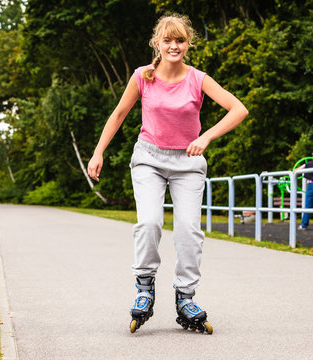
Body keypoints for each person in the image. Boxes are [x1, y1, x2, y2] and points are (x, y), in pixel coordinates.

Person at [87, 13, 248, 334]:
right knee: (149, 223)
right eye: (167, 40)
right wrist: (98, 151)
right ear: (157, 43)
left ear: (188, 44)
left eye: (180, 40)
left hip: (188, 163)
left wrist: (205, 137)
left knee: (189, 231)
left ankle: (185, 297)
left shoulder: (198, 79)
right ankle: (145, 287)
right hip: (149, 158)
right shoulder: (143, 77)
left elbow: (239, 108)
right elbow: (119, 114)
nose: (174, 46)